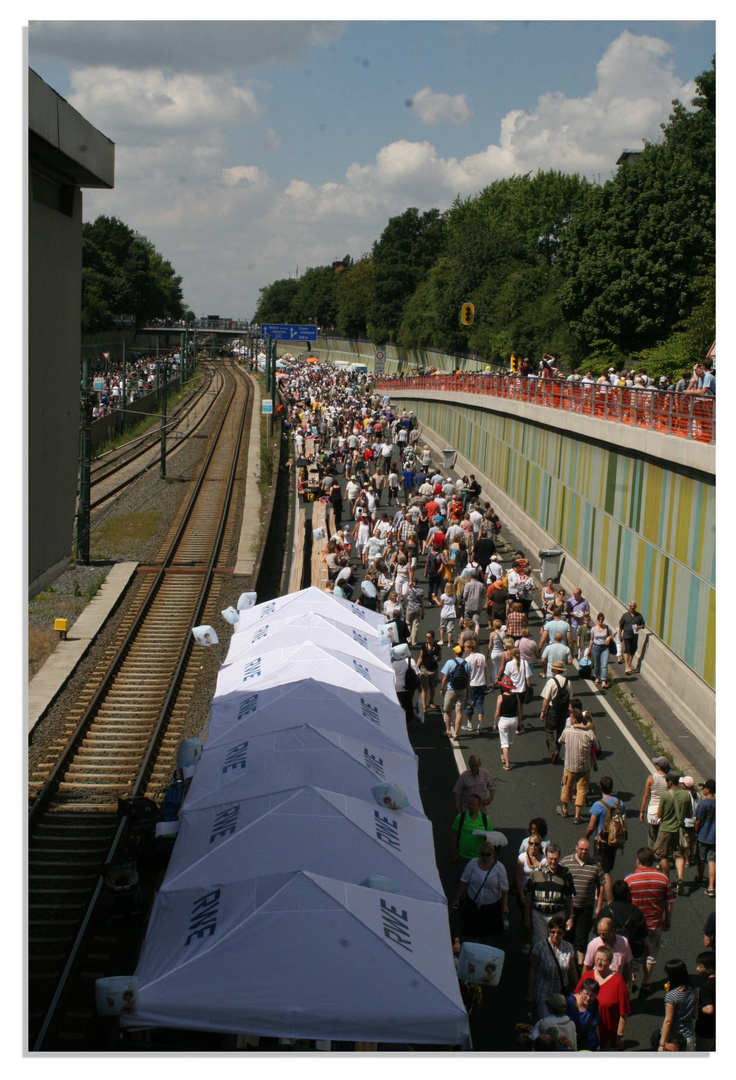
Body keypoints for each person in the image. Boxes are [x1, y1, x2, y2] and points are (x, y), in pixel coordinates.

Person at [625, 847, 674, 994]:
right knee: (651, 953)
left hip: (634, 925)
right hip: (654, 923)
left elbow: (626, 903)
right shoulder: (663, 879)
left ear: (638, 860)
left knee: (632, 952)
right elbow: (669, 901)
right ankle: (646, 982)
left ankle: (631, 977)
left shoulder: (629, 880)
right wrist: (668, 919)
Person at [453, 841, 509, 945]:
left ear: (493, 854)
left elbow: (504, 888)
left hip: (492, 907)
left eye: (488, 854)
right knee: (474, 936)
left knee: (489, 936)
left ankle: (485, 958)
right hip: (474, 905)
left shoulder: (499, 867)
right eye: (483, 854)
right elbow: (464, 881)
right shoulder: (473, 864)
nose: (486, 857)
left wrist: (504, 905)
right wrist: (457, 897)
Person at [574, 945, 630, 1050]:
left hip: (607, 1037)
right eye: (597, 959)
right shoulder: (587, 976)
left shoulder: (618, 982)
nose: (599, 963)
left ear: (610, 962)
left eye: (602, 960)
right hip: (585, 1035)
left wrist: (619, 1035)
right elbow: (575, 999)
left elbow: (624, 1012)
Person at [561, 839, 605, 966]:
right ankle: (567, 964)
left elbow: (601, 885)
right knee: (568, 935)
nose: (584, 851)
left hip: (586, 907)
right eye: (581, 849)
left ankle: (580, 966)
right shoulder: (566, 863)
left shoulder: (595, 865)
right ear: (576, 848)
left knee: (582, 937)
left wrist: (599, 907)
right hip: (569, 907)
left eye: (586, 849)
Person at [599, 879, 649, 989]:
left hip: (610, 952)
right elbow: (644, 935)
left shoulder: (606, 911)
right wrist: (647, 949)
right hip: (632, 952)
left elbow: (597, 932)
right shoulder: (636, 912)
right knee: (626, 981)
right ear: (627, 894)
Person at [527, 917, 579, 1022]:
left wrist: (578, 989)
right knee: (547, 1022)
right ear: (548, 931)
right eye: (553, 932)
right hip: (544, 989)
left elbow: (572, 969)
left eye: (559, 933)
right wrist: (530, 992)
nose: (556, 935)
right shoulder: (540, 947)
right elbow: (533, 970)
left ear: (563, 933)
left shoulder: (568, 947)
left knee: (559, 1022)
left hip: (561, 991)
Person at [524, 843, 576, 946]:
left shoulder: (565, 874)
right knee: (540, 944)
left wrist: (570, 917)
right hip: (539, 915)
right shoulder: (536, 872)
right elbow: (528, 896)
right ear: (546, 857)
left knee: (556, 943)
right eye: (550, 859)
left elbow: (570, 897)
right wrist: (527, 917)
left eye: (555, 859)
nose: (553, 862)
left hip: (558, 913)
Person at [586, 775, 627, 902]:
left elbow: (592, 825)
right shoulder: (620, 803)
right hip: (615, 840)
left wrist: (586, 837)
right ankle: (598, 893)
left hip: (602, 841)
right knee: (605, 867)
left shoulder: (598, 805)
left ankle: (609, 901)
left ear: (600, 788)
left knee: (605, 872)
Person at [557, 708, 597, 822]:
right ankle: (577, 815)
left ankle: (564, 809)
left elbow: (560, 741)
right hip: (585, 766)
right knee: (582, 789)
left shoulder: (567, 731)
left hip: (570, 764)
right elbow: (597, 747)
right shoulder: (589, 733)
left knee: (567, 786)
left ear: (574, 720)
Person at [653, 771, 691, 892]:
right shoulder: (686, 795)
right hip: (679, 830)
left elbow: (659, 814)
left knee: (663, 855)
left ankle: (667, 882)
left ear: (669, 782)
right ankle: (680, 878)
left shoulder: (665, 795)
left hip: (665, 829)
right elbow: (690, 814)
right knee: (679, 854)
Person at [658, 958, 697, 1051]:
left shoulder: (671, 996)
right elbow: (695, 1015)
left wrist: (662, 1044)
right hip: (688, 1036)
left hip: (673, 1040)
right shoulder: (693, 992)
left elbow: (668, 1021)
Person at [581, 917, 633, 988]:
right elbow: (586, 967)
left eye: (604, 934)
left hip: (616, 984)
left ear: (612, 931)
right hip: (598, 986)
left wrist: (628, 986)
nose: (601, 937)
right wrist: (584, 986)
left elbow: (627, 967)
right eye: (599, 934)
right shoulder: (593, 944)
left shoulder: (623, 942)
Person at [451, 793, 492, 875]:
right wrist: (454, 854)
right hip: (463, 858)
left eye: (473, 804)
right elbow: (454, 836)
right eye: (469, 804)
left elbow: (490, 838)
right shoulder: (461, 817)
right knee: (461, 882)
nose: (471, 806)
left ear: (479, 806)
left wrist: (490, 856)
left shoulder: (485, 819)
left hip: (480, 858)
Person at [539, 661, 570, 764]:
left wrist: (543, 711)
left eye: (552, 669)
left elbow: (546, 699)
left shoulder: (552, 682)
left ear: (556, 671)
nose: (551, 671)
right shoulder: (568, 682)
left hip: (553, 710)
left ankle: (553, 750)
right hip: (564, 711)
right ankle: (558, 750)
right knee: (560, 732)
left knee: (549, 731)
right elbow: (571, 698)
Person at [493, 675, 522, 771]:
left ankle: (507, 763)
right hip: (514, 719)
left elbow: (497, 712)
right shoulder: (516, 696)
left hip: (504, 720)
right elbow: (519, 711)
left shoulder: (500, 697)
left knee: (504, 742)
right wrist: (519, 723)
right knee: (510, 741)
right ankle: (505, 756)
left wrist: (494, 723)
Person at [441, 645, 470, 739]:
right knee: (459, 711)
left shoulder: (450, 662)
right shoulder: (466, 664)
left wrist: (442, 688)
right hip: (462, 689)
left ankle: (448, 730)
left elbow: (445, 678)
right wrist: (468, 692)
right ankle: (456, 733)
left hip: (451, 689)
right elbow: (468, 679)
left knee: (448, 710)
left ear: (455, 653)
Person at [639, 757, 670, 846]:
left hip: (653, 810)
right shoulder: (669, 780)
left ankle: (651, 854)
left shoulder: (651, 778)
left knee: (652, 836)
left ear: (659, 767)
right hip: (665, 810)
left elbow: (646, 796)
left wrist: (642, 811)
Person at [462, 639, 489, 734]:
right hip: (481, 683)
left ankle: (469, 724)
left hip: (472, 684)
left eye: (465, 647)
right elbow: (484, 670)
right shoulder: (482, 656)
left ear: (469, 648)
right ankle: (480, 723)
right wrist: (485, 682)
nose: (464, 649)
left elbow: (466, 674)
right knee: (480, 704)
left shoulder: (467, 660)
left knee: (470, 704)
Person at [694, 778, 715, 897]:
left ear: (708, 790)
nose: (702, 790)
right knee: (712, 860)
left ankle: (701, 878)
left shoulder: (702, 804)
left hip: (703, 835)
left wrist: (695, 833)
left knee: (701, 859)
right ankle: (711, 887)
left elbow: (698, 821)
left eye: (704, 788)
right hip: (715, 836)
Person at [565, 980, 601, 1051]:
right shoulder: (569, 1003)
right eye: (586, 994)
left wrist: (598, 1045)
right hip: (574, 1047)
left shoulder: (595, 1004)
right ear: (580, 991)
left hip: (592, 1047)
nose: (588, 998)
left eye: (592, 996)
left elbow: (596, 1026)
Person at [693, 950, 715, 1051]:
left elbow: (709, 1009)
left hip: (706, 1029)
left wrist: (697, 1008)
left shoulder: (706, 987)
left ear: (710, 968)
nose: (697, 969)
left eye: (700, 966)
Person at [587, 612, 614, 689]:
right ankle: (597, 677)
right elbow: (591, 640)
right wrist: (589, 649)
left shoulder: (607, 628)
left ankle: (604, 680)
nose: (600, 621)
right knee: (596, 664)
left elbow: (611, 635)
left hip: (605, 648)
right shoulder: (593, 629)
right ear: (597, 619)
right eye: (599, 619)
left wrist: (609, 638)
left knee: (604, 664)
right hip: (596, 647)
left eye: (602, 620)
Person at [417, 630, 441, 713]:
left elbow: (440, 658)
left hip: (433, 670)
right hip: (424, 669)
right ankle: (424, 706)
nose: (427, 639)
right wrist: (416, 668)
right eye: (426, 637)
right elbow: (420, 657)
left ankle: (431, 701)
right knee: (425, 688)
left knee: (432, 687)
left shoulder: (437, 647)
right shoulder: (423, 646)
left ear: (433, 638)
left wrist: (437, 659)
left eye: (429, 637)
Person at [618, 600, 645, 675]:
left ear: (635, 607)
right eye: (631, 606)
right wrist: (619, 635)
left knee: (633, 651)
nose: (632, 608)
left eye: (633, 606)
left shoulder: (639, 616)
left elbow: (643, 625)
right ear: (629, 607)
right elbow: (620, 626)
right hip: (627, 636)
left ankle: (629, 665)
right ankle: (627, 667)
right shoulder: (625, 615)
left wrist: (639, 627)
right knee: (627, 650)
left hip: (634, 637)